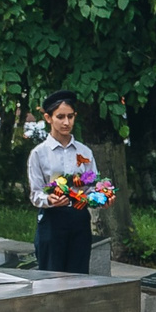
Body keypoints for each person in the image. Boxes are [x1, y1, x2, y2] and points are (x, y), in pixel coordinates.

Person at [27, 91, 97, 273]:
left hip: (79, 218)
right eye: (60, 117)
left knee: (79, 274)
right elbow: (36, 193)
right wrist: (49, 199)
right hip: (52, 220)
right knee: (52, 275)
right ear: (48, 118)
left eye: (70, 116)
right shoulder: (39, 153)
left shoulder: (85, 152)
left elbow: (93, 186)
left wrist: (100, 197)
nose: (66, 122)